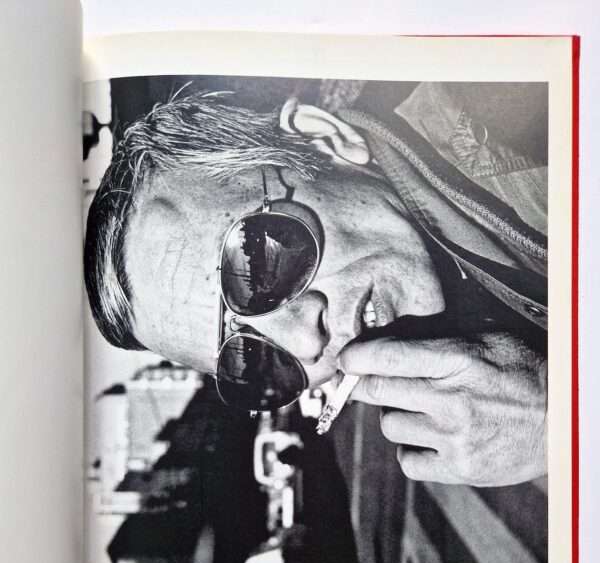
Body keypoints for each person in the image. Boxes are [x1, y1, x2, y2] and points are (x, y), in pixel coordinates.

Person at [85, 82, 547, 488]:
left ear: (326, 140)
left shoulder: (516, 115)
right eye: (253, 361)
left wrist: (560, 420)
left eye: (259, 267)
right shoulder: (469, 306)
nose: (305, 344)